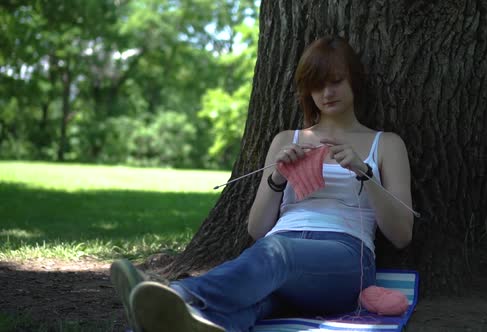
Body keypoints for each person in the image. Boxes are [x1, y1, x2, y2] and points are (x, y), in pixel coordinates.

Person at [110, 35, 414, 332]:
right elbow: (257, 230)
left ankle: (178, 295)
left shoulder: (385, 144)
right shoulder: (287, 139)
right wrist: (278, 176)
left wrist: (364, 173)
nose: (326, 92)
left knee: (277, 252)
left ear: (354, 82)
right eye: (316, 85)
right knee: (253, 304)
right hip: (278, 254)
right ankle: (178, 322)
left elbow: (401, 235)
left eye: (335, 81)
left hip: (346, 259)